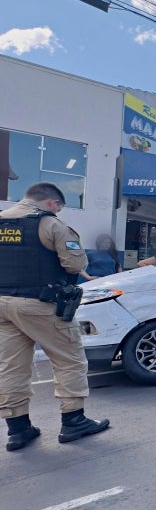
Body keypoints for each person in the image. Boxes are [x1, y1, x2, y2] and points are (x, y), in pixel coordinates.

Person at [0, 182, 110, 451]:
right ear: (52, 203)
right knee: (69, 359)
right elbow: (75, 264)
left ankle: (18, 429)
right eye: (59, 207)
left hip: (2, 304)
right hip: (40, 303)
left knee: (10, 366)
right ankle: (73, 421)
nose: (59, 211)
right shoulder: (50, 224)